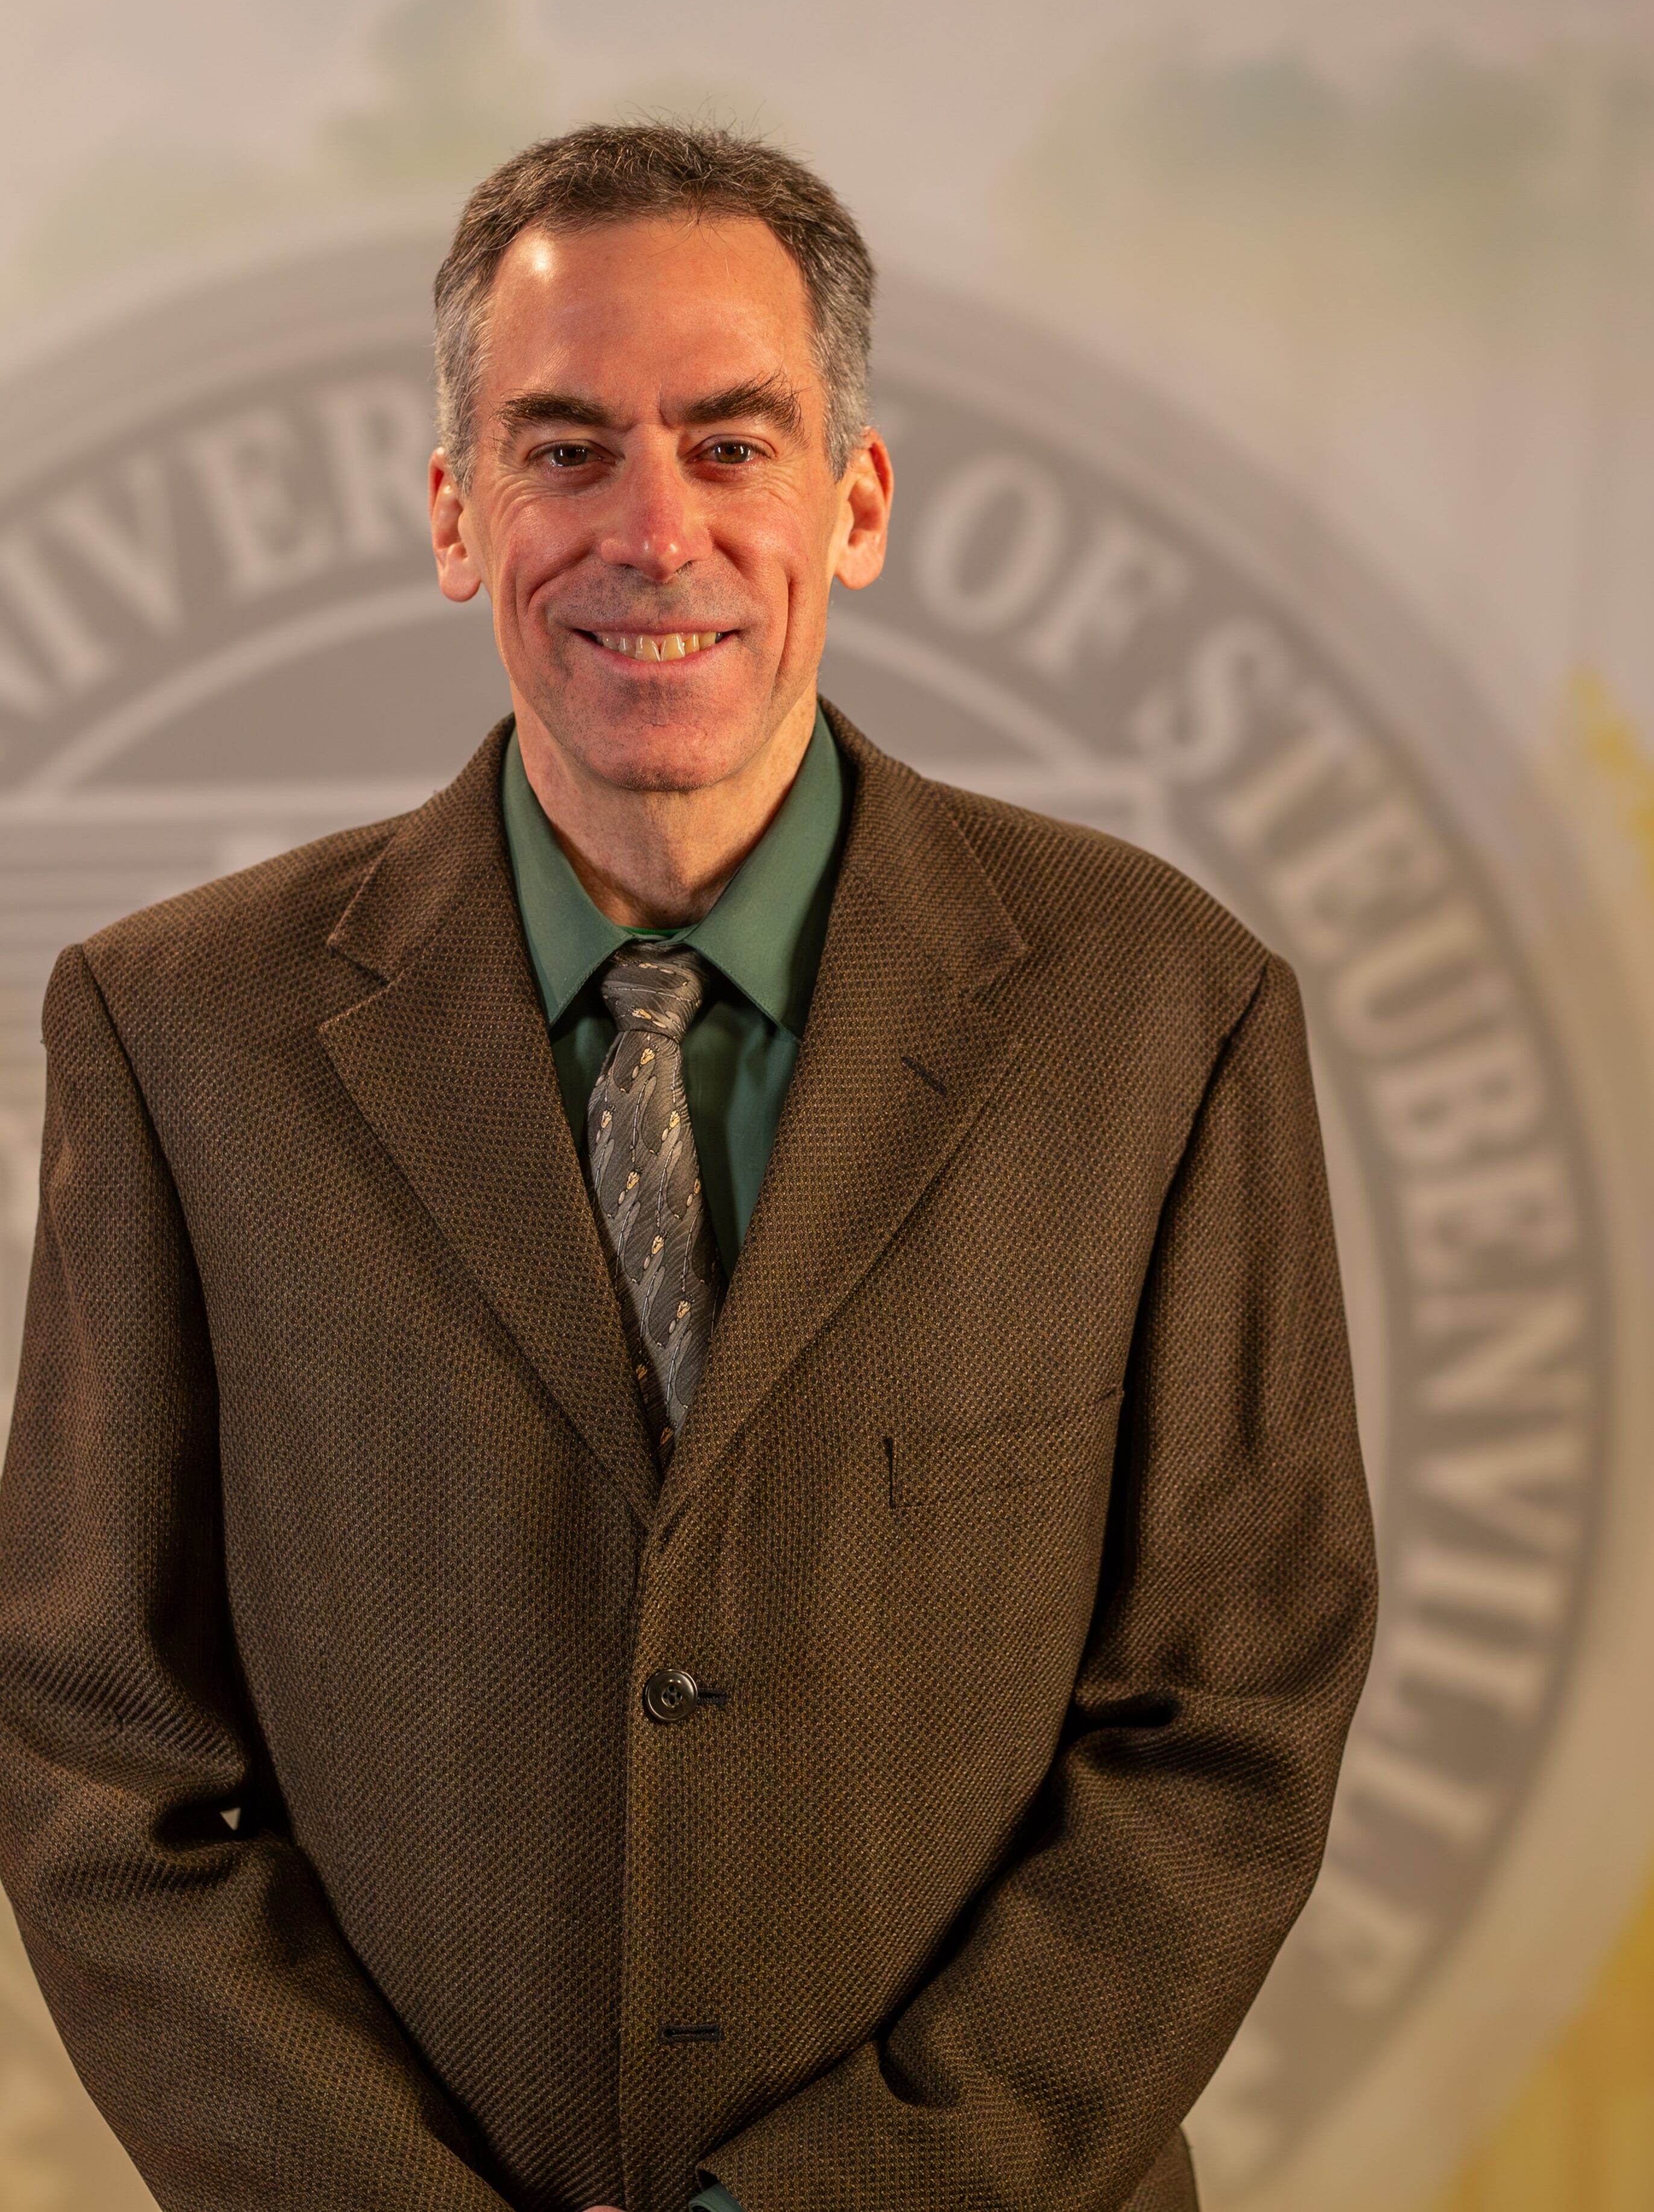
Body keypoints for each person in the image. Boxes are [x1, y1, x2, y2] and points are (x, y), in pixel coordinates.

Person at [0, 124, 1377, 2212]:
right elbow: (102, 1752)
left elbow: (1233, 1719)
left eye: (733, 444)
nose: (657, 532)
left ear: (860, 500)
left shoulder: (1163, 1011)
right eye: (564, 451)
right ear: (457, 515)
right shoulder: (175, 1034)